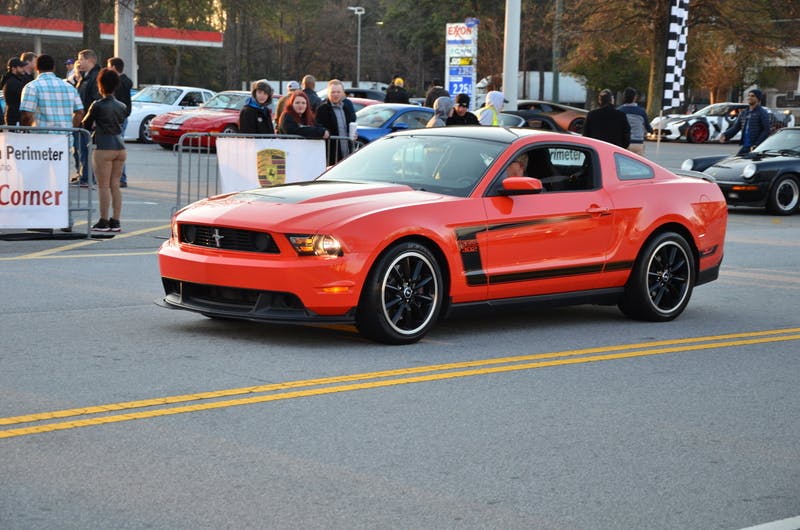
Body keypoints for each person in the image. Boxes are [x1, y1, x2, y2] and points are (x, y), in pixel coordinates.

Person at [82, 67, 128, 232]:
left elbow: (86, 124)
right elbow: (121, 120)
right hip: (120, 147)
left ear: (100, 85)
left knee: (103, 186)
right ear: (115, 85)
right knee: (115, 185)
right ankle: (115, 221)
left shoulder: (97, 105)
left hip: (103, 146)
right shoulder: (122, 105)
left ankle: (103, 220)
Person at [19, 54, 84, 129]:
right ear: (53, 68)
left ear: (36, 67)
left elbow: (27, 115)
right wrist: (71, 128)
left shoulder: (31, 87)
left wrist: (26, 130)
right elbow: (80, 112)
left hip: (40, 137)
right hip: (65, 137)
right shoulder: (69, 87)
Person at [75, 49, 102, 186]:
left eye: (81, 59)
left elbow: (96, 100)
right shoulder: (85, 76)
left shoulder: (95, 77)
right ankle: (83, 175)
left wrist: (93, 120)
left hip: (87, 121)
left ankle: (86, 178)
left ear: (89, 60)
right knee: (81, 150)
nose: (79, 63)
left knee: (85, 150)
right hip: (82, 119)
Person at [315, 79, 357, 165]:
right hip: (331, 153)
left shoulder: (347, 105)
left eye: (338, 92)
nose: (336, 94)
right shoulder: (322, 108)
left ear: (343, 93)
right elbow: (319, 127)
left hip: (348, 150)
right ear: (328, 93)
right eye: (333, 92)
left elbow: (352, 121)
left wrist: (354, 134)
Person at [719, 88, 771, 155]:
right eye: (749, 95)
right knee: (737, 160)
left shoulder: (762, 112)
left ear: (758, 98)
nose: (749, 97)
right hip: (746, 146)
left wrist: (757, 144)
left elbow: (766, 130)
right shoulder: (744, 113)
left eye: (753, 96)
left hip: (756, 147)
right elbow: (736, 128)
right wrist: (725, 135)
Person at [106, 57, 132, 187]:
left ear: (114, 68)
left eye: (109, 66)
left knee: (117, 149)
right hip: (122, 118)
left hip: (118, 119)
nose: (107, 69)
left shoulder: (118, 83)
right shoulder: (126, 81)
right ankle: (119, 177)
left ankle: (121, 178)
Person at [617, 87, 652, 155]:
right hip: (638, 143)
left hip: (623, 143)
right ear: (635, 97)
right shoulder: (641, 112)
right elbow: (649, 128)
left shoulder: (619, 111)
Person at [1, 58, 28, 125]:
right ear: (13, 68)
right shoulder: (12, 82)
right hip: (15, 118)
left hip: (13, 116)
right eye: (21, 67)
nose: (23, 69)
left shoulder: (10, 80)